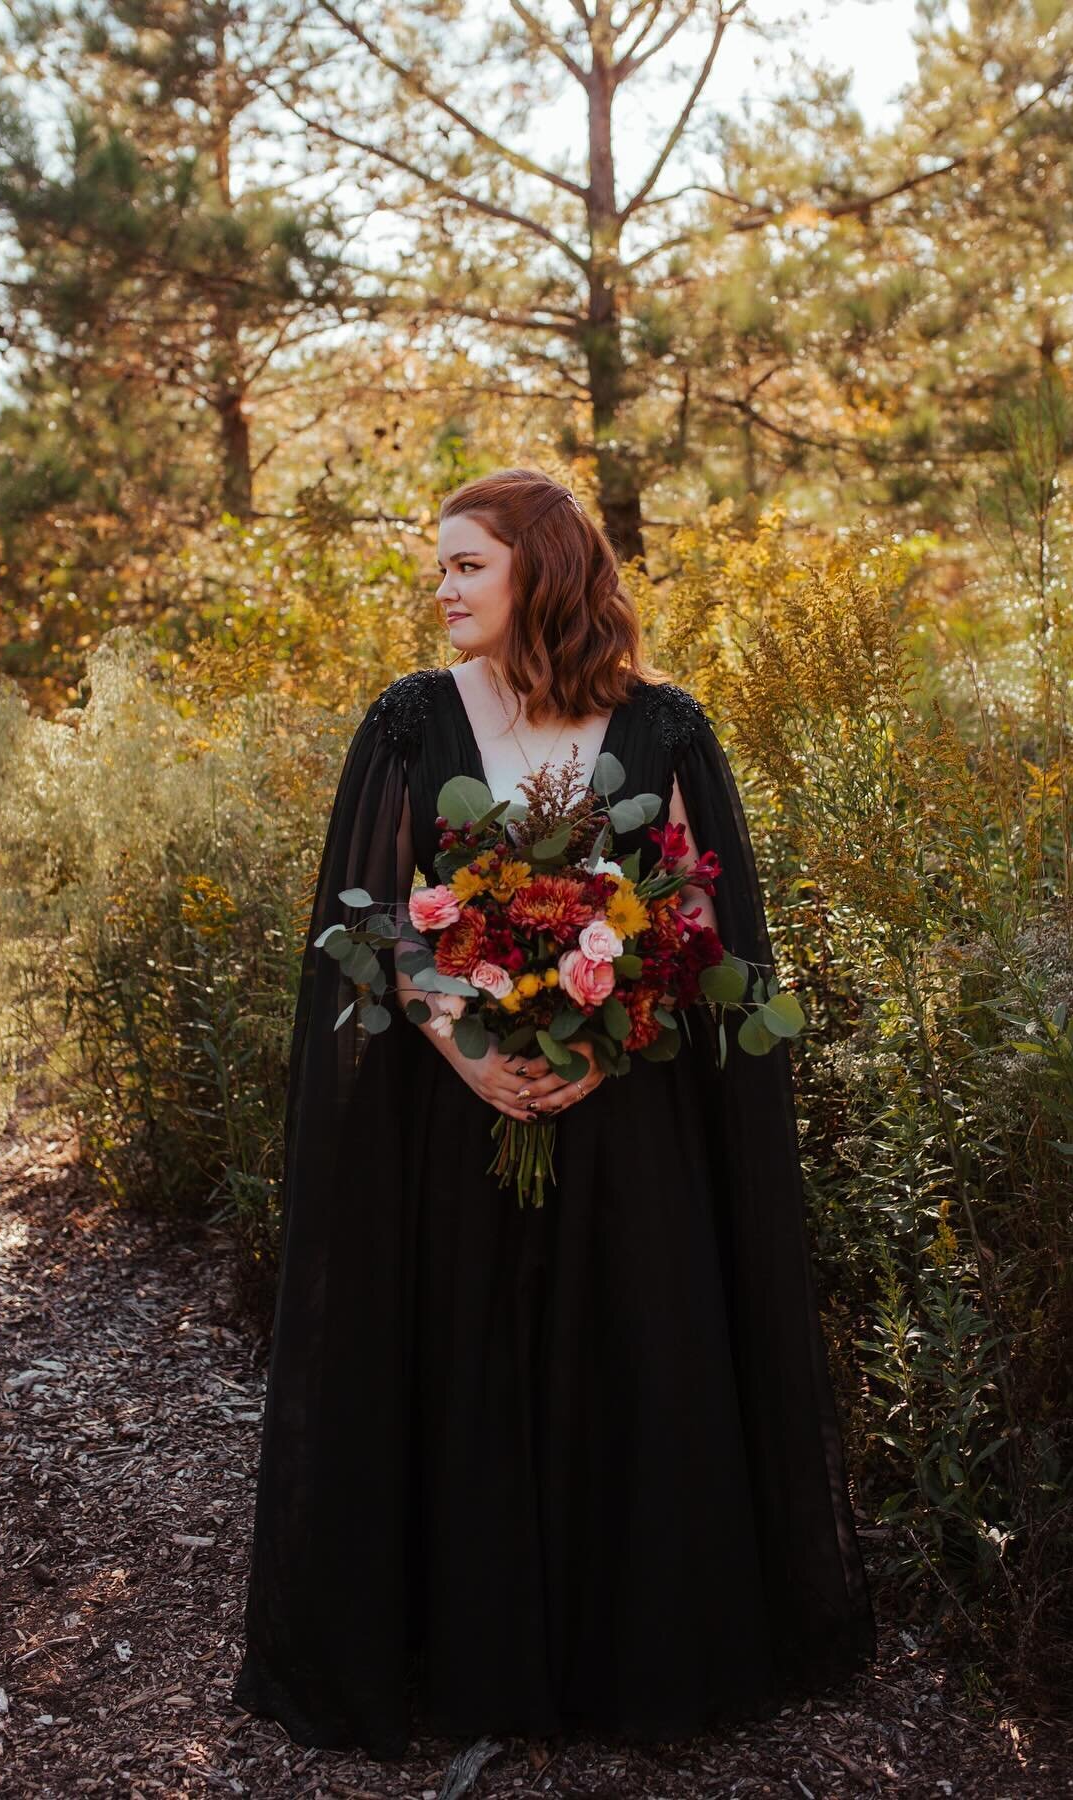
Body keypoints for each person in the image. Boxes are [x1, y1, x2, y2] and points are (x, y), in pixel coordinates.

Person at [230, 467, 877, 1759]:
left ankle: (618, 1658)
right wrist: (468, 1048)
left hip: (624, 1119)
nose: (444, 586)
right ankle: (463, 1655)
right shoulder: (414, 723)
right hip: (454, 1117)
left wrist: (614, 1032)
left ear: (541, 567)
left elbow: (695, 922)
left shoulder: (667, 730)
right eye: (441, 565)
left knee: (625, 1357)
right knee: (466, 1359)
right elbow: (370, 923)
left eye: (468, 563)